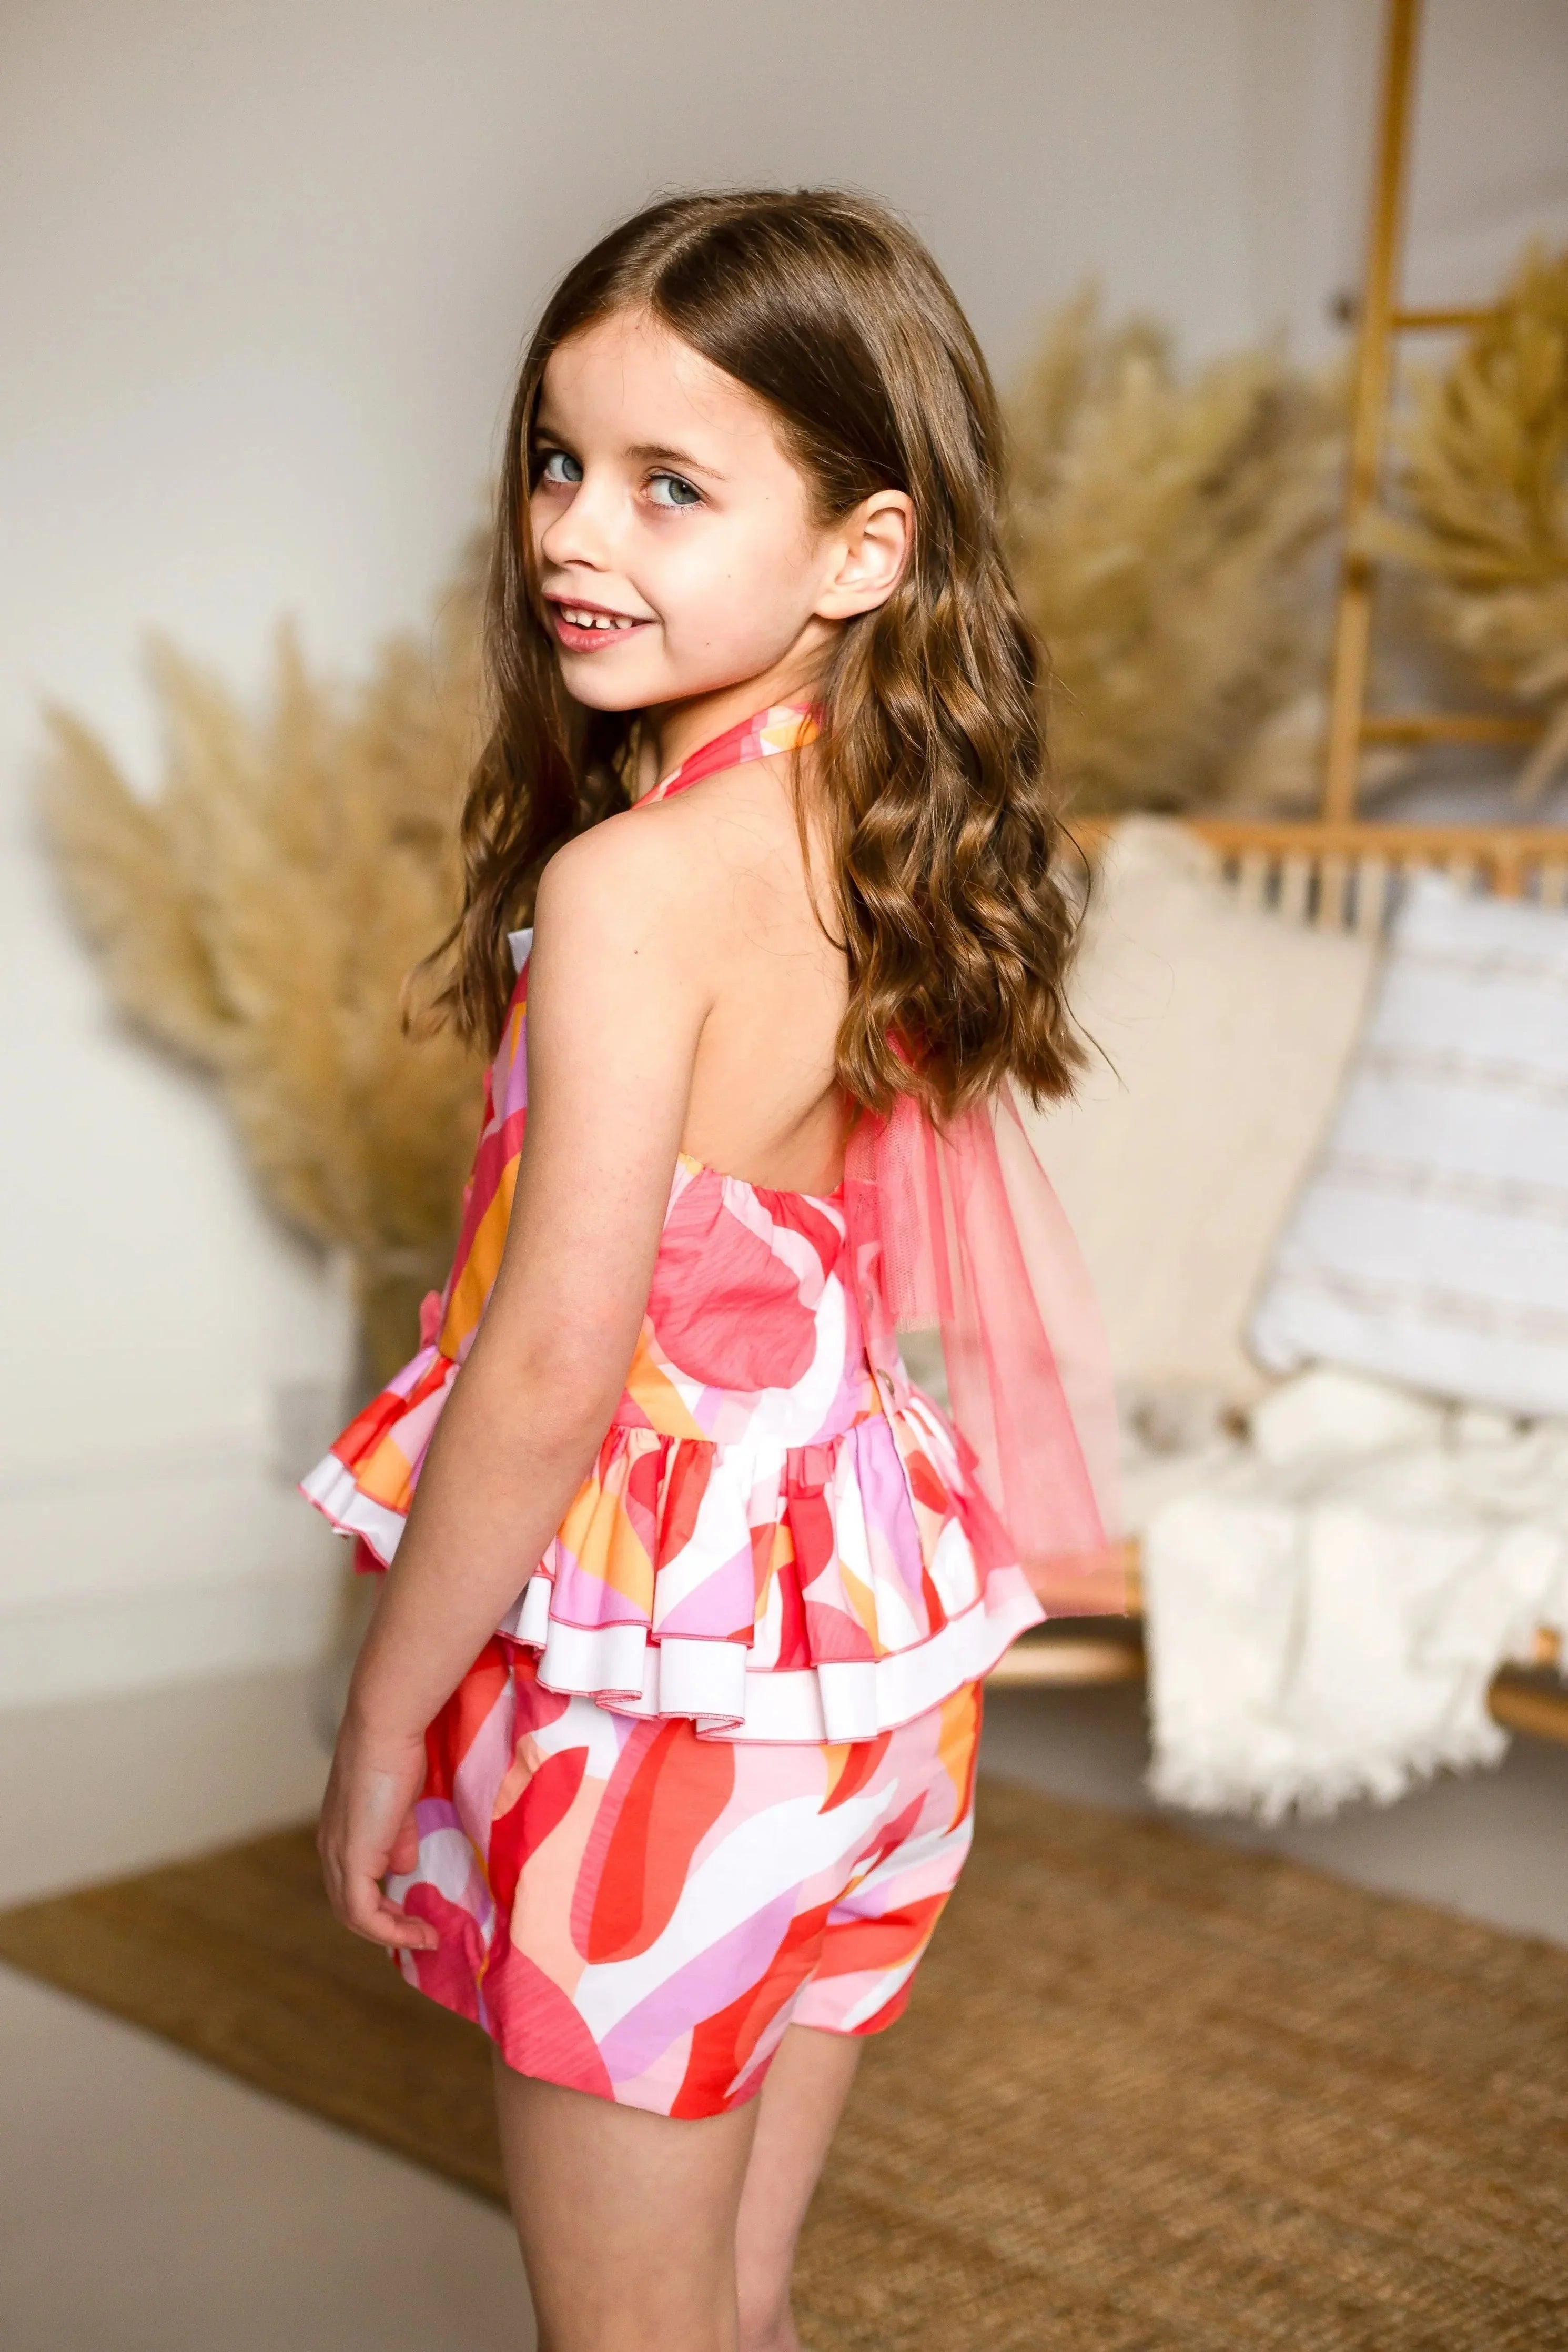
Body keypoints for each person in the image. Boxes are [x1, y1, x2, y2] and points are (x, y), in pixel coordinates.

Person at [307, 187, 1121, 2352]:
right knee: (738, 2297)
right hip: (865, 1673)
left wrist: (384, 1704)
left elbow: (561, 1350)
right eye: (559, 463)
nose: (579, 531)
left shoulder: (631, 888)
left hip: (668, 1716)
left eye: (674, 485)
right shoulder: (884, 823)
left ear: (859, 548)